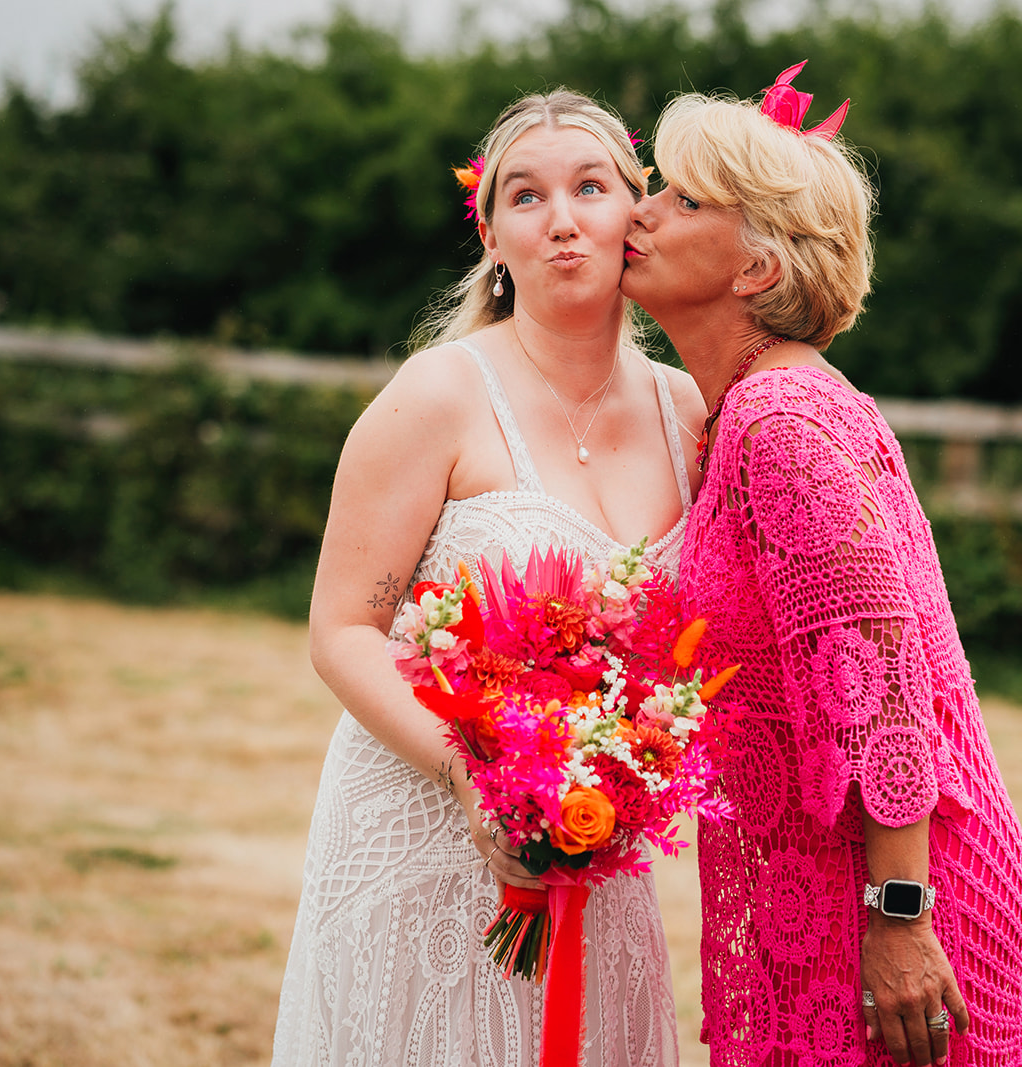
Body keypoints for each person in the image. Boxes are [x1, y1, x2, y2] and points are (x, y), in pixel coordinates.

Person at [271, 89, 704, 1067]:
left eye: (590, 186)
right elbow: (341, 628)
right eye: (525, 196)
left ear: (634, 215)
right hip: (426, 826)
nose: (560, 218)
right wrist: (473, 775)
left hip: (598, 848)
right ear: (492, 237)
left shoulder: (691, 416)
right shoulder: (439, 394)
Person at [620, 66, 1022, 1067]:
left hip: (891, 897)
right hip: (818, 884)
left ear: (757, 268)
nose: (641, 209)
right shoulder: (739, 414)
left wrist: (898, 917)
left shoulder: (783, 419)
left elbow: (884, 688)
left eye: (682, 199)